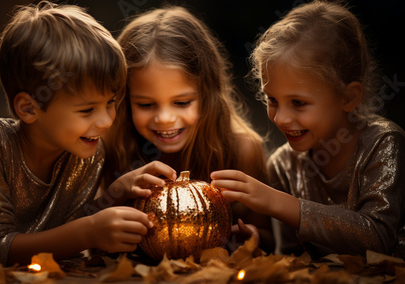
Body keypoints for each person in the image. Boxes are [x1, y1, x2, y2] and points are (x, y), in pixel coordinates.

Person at [0, 1, 156, 266]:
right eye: (87, 110)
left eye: (111, 103)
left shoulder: (87, 153)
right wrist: (89, 231)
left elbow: (58, 238)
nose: (106, 121)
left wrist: (115, 193)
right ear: (28, 108)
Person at [210, 1, 405, 258]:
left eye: (298, 103)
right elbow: (293, 256)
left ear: (348, 97)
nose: (280, 118)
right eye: (272, 100)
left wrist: (278, 203)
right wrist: (255, 249)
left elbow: (378, 238)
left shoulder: (383, 143)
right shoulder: (283, 165)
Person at [103, 6, 274, 252]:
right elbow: (91, 236)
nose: (164, 119)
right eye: (146, 104)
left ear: (207, 95)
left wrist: (252, 238)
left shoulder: (242, 150)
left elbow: (269, 238)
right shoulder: (116, 148)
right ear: (124, 100)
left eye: (182, 103)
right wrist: (116, 192)